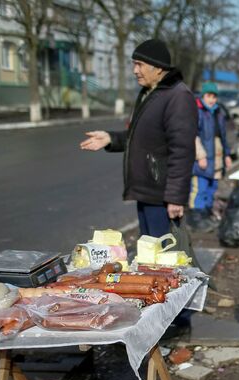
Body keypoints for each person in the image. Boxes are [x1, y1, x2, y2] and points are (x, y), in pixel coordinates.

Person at [80, 38, 196, 238]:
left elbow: (182, 151)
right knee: (149, 255)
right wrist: (110, 138)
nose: (135, 70)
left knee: (162, 260)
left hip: (162, 196)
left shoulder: (178, 96)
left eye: (139, 64)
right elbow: (142, 136)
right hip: (146, 192)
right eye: (134, 64)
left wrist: (176, 198)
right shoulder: (150, 93)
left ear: (158, 68)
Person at [188, 81, 232, 232]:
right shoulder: (197, 111)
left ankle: (206, 216)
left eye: (214, 96)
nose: (212, 99)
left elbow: (223, 136)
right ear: (203, 96)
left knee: (211, 189)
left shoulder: (218, 112)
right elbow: (192, 136)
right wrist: (200, 156)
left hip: (217, 159)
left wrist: (227, 155)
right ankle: (195, 219)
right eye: (209, 96)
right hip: (202, 159)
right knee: (199, 189)